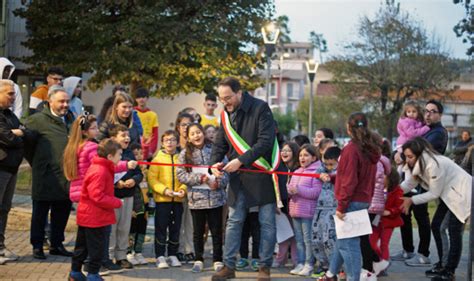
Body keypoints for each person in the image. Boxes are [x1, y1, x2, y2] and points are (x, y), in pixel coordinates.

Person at [211, 77, 278, 281]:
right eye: (222, 99)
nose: (225, 103)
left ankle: (264, 267)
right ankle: (229, 266)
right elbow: (219, 143)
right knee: (234, 221)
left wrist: (241, 160)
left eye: (228, 98)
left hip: (261, 173)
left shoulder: (261, 108)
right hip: (238, 176)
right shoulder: (224, 115)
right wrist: (214, 164)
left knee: (266, 223)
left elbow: (266, 141)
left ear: (239, 92)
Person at [320, 112, 381, 281]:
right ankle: (331, 274)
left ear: (348, 128)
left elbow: (349, 180)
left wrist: (341, 206)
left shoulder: (351, 150)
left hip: (351, 202)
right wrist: (333, 178)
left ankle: (354, 278)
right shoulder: (369, 149)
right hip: (362, 200)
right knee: (344, 241)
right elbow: (357, 176)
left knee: (349, 245)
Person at [400, 137, 472, 281]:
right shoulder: (421, 164)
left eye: (410, 157)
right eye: (406, 157)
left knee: (453, 231)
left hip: (462, 195)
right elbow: (408, 184)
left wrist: (411, 200)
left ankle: (449, 271)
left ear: (419, 154)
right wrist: (390, 193)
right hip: (450, 196)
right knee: (437, 226)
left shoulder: (433, 164)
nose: (408, 160)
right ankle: (443, 265)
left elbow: (434, 193)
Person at [393, 99, 448, 267]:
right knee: (404, 213)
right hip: (413, 177)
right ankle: (407, 250)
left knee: (421, 216)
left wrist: (401, 154)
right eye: (426, 111)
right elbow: (407, 144)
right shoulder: (423, 129)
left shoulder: (438, 132)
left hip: (423, 181)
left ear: (440, 114)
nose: (428, 114)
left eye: (433, 111)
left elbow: (418, 151)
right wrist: (398, 150)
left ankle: (424, 254)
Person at [24, 85, 75, 260]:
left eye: (67, 101)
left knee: (62, 211)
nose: (65, 105)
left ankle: (57, 244)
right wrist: (39, 163)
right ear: (50, 102)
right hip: (45, 174)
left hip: (66, 175)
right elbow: (26, 145)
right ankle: (37, 246)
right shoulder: (37, 120)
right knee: (40, 212)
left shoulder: (70, 119)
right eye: (61, 101)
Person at [68, 139, 123, 281]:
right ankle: (92, 274)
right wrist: (116, 202)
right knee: (97, 248)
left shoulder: (101, 167)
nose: (121, 158)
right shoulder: (100, 171)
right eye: (119, 155)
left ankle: (75, 272)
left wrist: (127, 165)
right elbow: (97, 196)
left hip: (88, 216)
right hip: (95, 218)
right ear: (110, 156)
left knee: (82, 247)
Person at [177, 123, 228, 273]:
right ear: (188, 137)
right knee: (198, 232)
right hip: (196, 200)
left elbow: (226, 171)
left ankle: (218, 259)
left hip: (216, 198)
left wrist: (218, 183)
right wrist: (200, 178)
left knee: (217, 230)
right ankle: (198, 258)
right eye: (192, 134)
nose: (196, 136)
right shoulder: (184, 153)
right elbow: (181, 175)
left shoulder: (215, 150)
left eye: (198, 132)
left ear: (203, 133)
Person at [0, 80, 31, 264]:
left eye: (14, 93)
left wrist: (19, 133)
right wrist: (17, 134)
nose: (13, 97)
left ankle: (1, 247)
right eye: (9, 93)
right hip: (1, 167)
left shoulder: (10, 114)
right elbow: (8, 138)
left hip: (12, 168)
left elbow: (23, 132)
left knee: (4, 208)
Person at [148, 130, 187, 269]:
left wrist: (183, 189)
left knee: (175, 228)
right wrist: (164, 190)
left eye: (172, 140)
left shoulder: (181, 158)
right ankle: (160, 255)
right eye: (166, 140)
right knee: (161, 228)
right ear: (162, 143)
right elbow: (152, 179)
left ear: (177, 142)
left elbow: (186, 176)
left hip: (177, 201)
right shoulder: (157, 159)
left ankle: (173, 254)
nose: (170, 142)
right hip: (162, 200)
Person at [108, 125, 143, 270]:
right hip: (113, 198)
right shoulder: (109, 155)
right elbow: (106, 173)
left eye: (128, 135)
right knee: (112, 228)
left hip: (129, 197)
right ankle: (108, 256)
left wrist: (134, 180)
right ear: (113, 138)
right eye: (123, 135)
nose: (127, 138)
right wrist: (117, 183)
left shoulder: (129, 153)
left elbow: (139, 173)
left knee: (124, 227)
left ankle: (121, 256)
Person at [287, 144, 321, 276]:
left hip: (308, 212)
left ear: (313, 157)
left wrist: (299, 190)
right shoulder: (296, 172)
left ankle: (309, 264)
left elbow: (316, 193)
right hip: (295, 211)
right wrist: (290, 191)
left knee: (308, 240)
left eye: (306, 155)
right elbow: (291, 189)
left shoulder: (316, 172)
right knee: (299, 240)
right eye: (301, 155)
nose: (302, 158)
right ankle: (300, 263)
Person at [311, 146, 341, 279]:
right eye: (326, 164)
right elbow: (317, 172)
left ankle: (336, 267)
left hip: (334, 209)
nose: (329, 167)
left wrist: (332, 174)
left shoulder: (342, 172)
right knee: (316, 237)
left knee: (329, 238)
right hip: (320, 209)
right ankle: (324, 264)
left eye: (332, 164)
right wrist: (321, 174)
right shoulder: (322, 169)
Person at [369, 167, 404, 277]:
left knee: (384, 244)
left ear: (390, 178)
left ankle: (383, 265)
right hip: (375, 221)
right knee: (371, 243)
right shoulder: (376, 188)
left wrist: (390, 212)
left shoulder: (397, 190)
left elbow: (400, 206)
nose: (379, 179)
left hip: (388, 222)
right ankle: (382, 261)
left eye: (382, 176)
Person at [273, 141, 300, 268]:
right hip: (281, 207)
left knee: (295, 236)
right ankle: (280, 259)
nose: (284, 153)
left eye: (288, 150)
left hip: (296, 206)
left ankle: (296, 261)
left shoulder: (299, 169)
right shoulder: (277, 168)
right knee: (283, 235)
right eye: (283, 150)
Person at [174, 112, 196, 263]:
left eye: (189, 125)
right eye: (183, 124)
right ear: (177, 127)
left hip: (193, 188)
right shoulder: (172, 145)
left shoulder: (195, 146)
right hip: (176, 190)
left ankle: (190, 249)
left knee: (191, 221)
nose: (186, 128)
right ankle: (179, 249)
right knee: (178, 221)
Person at [126, 143, 149, 266]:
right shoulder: (131, 172)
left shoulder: (146, 169)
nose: (139, 156)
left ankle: (138, 252)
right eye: (136, 154)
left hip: (144, 205)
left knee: (142, 229)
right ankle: (129, 252)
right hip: (134, 206)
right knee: (132, 229)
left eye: (141, 153)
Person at [134, 88, 159, 160]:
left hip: (148, 148)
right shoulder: (133, 113)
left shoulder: (153, 115)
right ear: (136, 99)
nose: (141, 99)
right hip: (135, 147)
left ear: (147, 98)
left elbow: (155, 134)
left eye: (143, 97)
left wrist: (151, 150)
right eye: (139, 97)